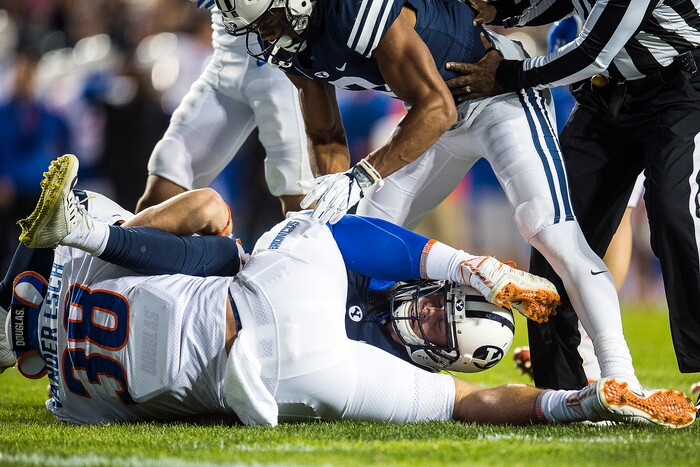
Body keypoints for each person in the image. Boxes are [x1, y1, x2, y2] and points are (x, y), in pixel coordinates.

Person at [1, 154, 696, 428]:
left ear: (444, 356)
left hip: (124, 319)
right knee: (222, 246)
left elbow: (470, 398)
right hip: (92, 388)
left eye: (443, 335)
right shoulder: (347, 358)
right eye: (441, 305)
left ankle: (79, 247)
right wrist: (469, 266)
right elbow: (473, 399)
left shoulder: (352, 339)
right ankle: (56, 276)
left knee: (218, 240)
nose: (428, 318)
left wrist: (575, 398)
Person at [214, 0, 646, 394]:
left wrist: (362, 175)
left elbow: (436, 107)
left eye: (269, 20)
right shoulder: (288, 44)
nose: (265, 34)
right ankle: (356, 346)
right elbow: (325, 134)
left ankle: (616, 372)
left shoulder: (353, 10)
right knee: (361, 237)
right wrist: (336, 211)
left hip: (496, 98)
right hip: (439, 118)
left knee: (551, 232)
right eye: (257, 26)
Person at [445, 0, 700, 389]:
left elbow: (591, 53)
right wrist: (501, 12)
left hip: (681, 90)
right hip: (608, 98)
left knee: (674, 211)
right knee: (556, 231)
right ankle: (560, 385)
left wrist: (507, 74)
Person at [135, 2, 315, 215]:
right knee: (169, 166)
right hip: (226, 63)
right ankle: (132, 245)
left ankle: (321, 245)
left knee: (298, 190)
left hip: (282, 68)